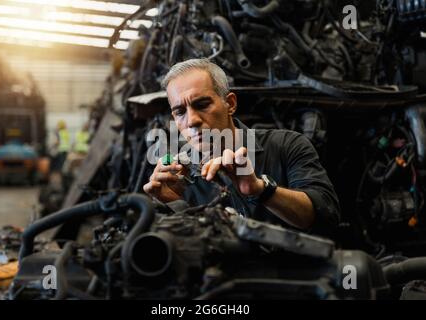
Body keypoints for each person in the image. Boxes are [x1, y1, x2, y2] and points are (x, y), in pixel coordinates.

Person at [143, 59, 340, 237]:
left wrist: (261, 190)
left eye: (202, 105)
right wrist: (172, 204)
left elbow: (326, 217)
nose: (192, 120)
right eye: (179, 112)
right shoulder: (176, 177)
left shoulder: (286, 146)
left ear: (230, 103)